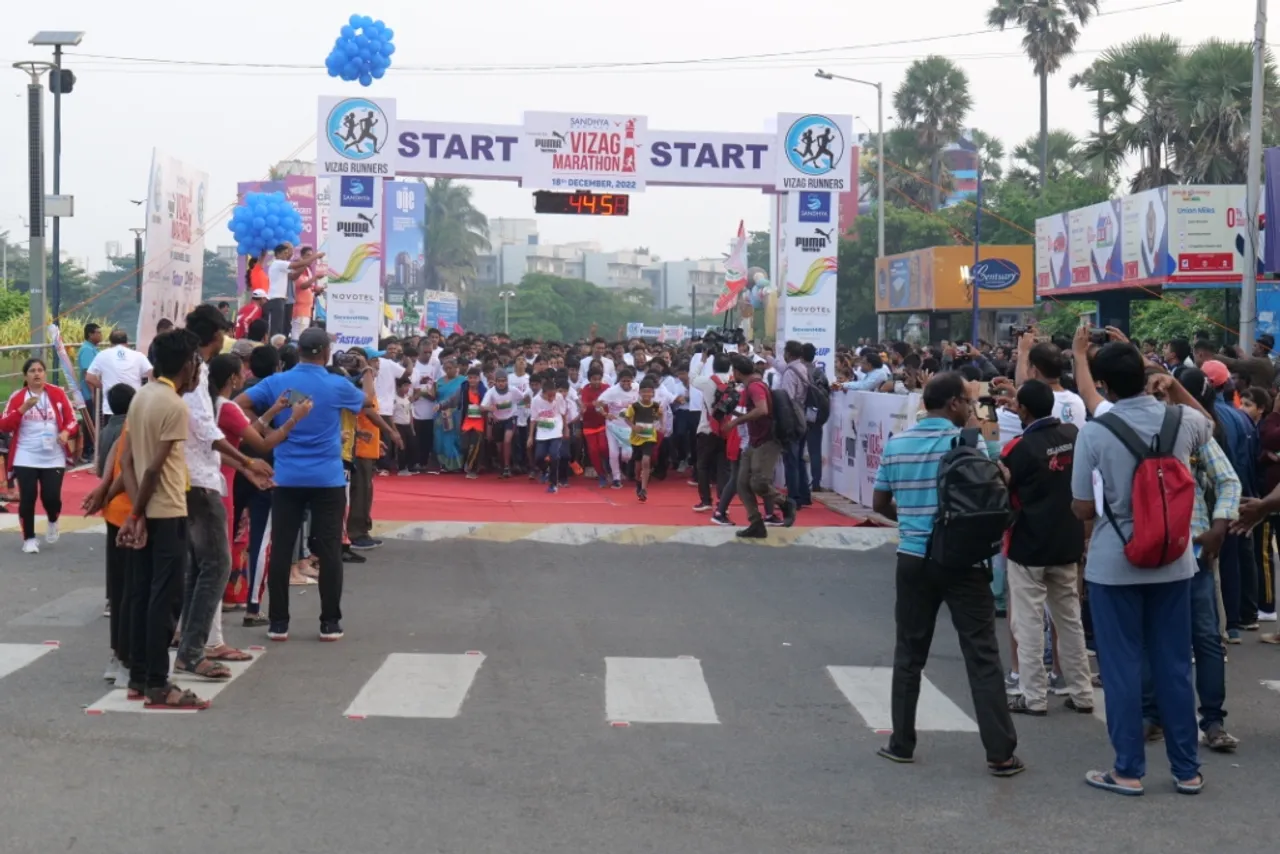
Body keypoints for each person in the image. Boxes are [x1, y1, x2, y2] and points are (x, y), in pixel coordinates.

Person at [1070, 342, 1208, 796]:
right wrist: (1173, 386)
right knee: (1173, 664)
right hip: (1174, 560)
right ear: (1149, 373)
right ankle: (1187, 770)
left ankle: (1127, 770)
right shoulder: (1182, 420)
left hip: (1116, 563)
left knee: (1122, 667)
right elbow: (1211, 426)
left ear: (1106, 384)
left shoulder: (1095, 431)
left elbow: (1083, 508)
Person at [871, 371, 1022, 776]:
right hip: (964, 561)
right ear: (954, 403)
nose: (970, 408)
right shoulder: (968, 443)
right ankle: (1000, 753)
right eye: (966, 401)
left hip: (913, 558)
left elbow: (879, 502)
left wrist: (912, 521)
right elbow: (1000, 485)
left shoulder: (897, 442)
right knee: (982, 655)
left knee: (909, 652)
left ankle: (901, 743)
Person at [236, 326, 375, 642]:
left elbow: (241, 403)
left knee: (282, 548)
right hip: (327, 477)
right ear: (326, 353)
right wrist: (366, 370)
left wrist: (265, 427)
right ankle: (330, 622)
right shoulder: (336, 383)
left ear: (299, 352)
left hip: (287, 476)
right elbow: (366, 400)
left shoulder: (278, 382)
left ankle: (278, 622)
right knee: (328, 550)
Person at [176, 305, 273, 681]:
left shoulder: (182, 374)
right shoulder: (195, 373)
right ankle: (195, 650)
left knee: (199, 567)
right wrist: (246, 463)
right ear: (216, 336)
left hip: (190, 476)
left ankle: (190, 642)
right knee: (216, 567)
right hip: (200, 479)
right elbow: (205, 429)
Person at [116, 328, 208, 709]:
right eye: (196, 363)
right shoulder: (173, 405)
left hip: (146, 508)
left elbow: (127, 461)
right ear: (187, 365)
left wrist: (136, 513)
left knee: (141, 594)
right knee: (165, 599)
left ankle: (139, 676)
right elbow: (154, 469)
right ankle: (158, 682)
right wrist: (138, 513)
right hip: (166, 509)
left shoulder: (142, 397)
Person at [1000, 380, 1093, 717]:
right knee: (1069, 620)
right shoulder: (1073, 435)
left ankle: (1033, 696)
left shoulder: (1017, 448)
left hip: (1028, 545)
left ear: (1021, 410)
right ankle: (1082, 692)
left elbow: (1004, 493)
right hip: (1067, 540)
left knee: (1027, 622)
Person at [1, 358, 79, 554]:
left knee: (51, 497)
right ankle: (29, 538)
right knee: (28, 497)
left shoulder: (57, 394)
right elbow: (4, 425)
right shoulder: (18, 397)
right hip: (25, 454)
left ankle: (53, 519)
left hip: (53, 455)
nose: (37, 374)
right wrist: (22, 409)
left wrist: (66, 433)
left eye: (40, 370)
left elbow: (72, 421)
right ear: (25, 376)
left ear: (45, 373)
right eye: (32, 371)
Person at [724, 354, 796, 539]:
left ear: (738, 372)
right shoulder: (752, 385)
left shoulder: (755, 387)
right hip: (754, 441)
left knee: (759, 482)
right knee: (741, 483)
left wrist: (736, 421)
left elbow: (762, 409)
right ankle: (756, 523)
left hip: (766, 441)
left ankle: (785, 503)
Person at [86, 329, 153, 425]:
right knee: (134, 438)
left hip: (111, 408)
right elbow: (152, 374)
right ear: (127, 342)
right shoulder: (138, 355)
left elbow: (89, 377)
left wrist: (104, 386)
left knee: (113, 438)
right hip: (134, 406)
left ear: (111, 342)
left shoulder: (102, 355)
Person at [528, 372, 569, 494]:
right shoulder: (536, 401)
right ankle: (545, 470)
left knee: (554, 455)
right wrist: (530, 436)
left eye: (553, 395)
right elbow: (533, 419)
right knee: (539, 457)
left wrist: (566, 428)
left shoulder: (559, 397)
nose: (552, 398)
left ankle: (553, 483)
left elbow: (563, 413)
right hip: (542, 431)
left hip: (556, 429)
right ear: (543, 393)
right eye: (549, 396)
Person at [624, 378, 663, 502]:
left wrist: (661, 425)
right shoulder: (634, 406)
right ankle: (638, 481)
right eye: (644, 392)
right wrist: (633, 426)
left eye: (650, 392)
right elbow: (626, 418)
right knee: (637, 466)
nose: (647, 394)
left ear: (653, 393)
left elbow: (659, 416)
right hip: (636, 439)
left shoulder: (656, 406)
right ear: (640, 393)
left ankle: (644, 489)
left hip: (650, 437)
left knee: (646, 460)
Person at [481, 370, 520, 478]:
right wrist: (490, 408)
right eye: (499, 381)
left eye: (503, 381)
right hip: (498, 420)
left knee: (507, 441)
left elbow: (522, 398)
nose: (501, 383)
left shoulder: (513, 390)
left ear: (507, 381)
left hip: (511, 418)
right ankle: (503, 466)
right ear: (496, 382)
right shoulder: (491, 392)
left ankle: (507, 467)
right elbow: (482, 406)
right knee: (500, 448)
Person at [433, 359, 466, 473]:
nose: (447, 370)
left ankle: (456, 465)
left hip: (455, 413)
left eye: (450, 368)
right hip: (440, 414)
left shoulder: (463, 380)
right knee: (440, 439)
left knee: (454, 439)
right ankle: (444, 464)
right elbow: (435, 395)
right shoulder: (440, 381)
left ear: (456, 368)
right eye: (445, 368)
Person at [78, 323, 103, 458]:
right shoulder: (87, 350)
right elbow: (88, 374)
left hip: (95, 393)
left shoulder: (94, 349)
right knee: (90, 422)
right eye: (98, 332)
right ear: (90, 334)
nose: (100, 335)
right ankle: (87, 451)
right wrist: (93, 393)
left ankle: (92, 449)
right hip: (89, 393)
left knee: (95, 421)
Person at [291, 247, 325, 340]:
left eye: (311, 255)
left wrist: (316, 288)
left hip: (307, 310)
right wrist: (316, 278)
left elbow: (309, 286)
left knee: (302, 334)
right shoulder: (298, 268)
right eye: (308, 256)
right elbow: (302, 286)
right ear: (302, 256)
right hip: (299, 310)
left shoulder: (308, 270)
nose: (310, 258)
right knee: (298, 336)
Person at [392, 378, 415, 476]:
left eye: (408, 387)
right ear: (398, 387)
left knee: (411, 445)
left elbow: (410, 413)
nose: (407, 389)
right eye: (405, 386)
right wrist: (394, 430)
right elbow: (391, 415)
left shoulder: (407, 399)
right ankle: (401, 467)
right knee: (402, 446)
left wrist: (412, 428)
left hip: (407, 425)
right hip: (398, 425)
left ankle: (409, 466)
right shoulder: (394, 399)